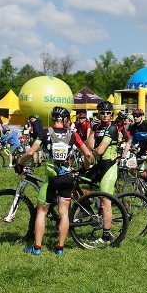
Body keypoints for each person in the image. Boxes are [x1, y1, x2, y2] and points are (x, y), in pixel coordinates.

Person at [16, 106, 93, 255]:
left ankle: (37, 248)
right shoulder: (73, 134)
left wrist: (20, 164)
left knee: (41, 211)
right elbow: (88, 155)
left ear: (53, 119)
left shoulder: (45, 133)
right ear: (65, 120)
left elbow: (31, 152)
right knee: (64, 213)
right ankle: (60, 248)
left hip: (51, 179)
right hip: (67, 178)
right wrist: (85, 168)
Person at [83, 100, 120, 241]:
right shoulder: (97, 127)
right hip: (98, 165)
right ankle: (85, 209)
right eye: (102, 112)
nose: (105, 115)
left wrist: (90, 152)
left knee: (105, 201)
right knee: (77, 181)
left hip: (109, 166)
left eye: (108, 113)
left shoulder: (112, 128)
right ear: (98, 113)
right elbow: (89, 144)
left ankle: (106, 234)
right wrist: (93, 130)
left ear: (111, 114)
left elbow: (100, 149)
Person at [122, 108, 147, 206]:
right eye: (134, 116)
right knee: (131, 169)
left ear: (141, 116)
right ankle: (144, 177)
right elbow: (129, 142)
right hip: (142, 150)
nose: (135, 118)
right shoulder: (133, 127)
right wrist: (123, 156)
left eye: (137, 116)